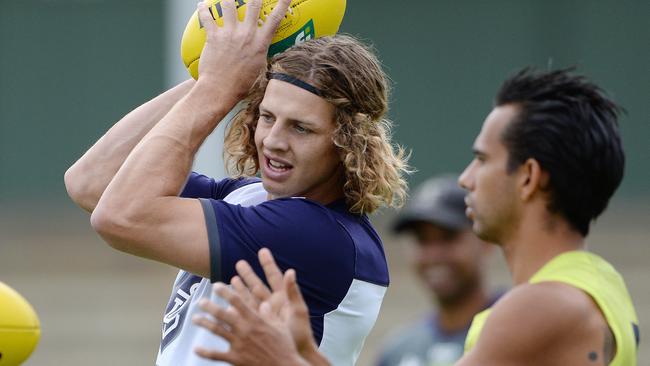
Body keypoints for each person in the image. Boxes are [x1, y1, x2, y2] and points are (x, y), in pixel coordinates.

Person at [193, 68, 640, 365]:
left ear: (528, 178)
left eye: (482, 160)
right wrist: (306, 352)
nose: (466, 178)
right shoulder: (599, 283)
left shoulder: (538, 307)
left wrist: (283, 360)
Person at [63, 0, 409, 365]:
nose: (273, 139)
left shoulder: (318, 236)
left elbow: (119, 217)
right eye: (266, 115)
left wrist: (217, 86)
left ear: (347, 143)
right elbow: (92, 181)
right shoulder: (251, 197)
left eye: (301, 127)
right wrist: (218, 74)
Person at [376, 175, 499, 366]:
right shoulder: (399, 351)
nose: (434, 255)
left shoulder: (516, 327)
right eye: (422, 240)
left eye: (448, 237)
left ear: (485, 241)